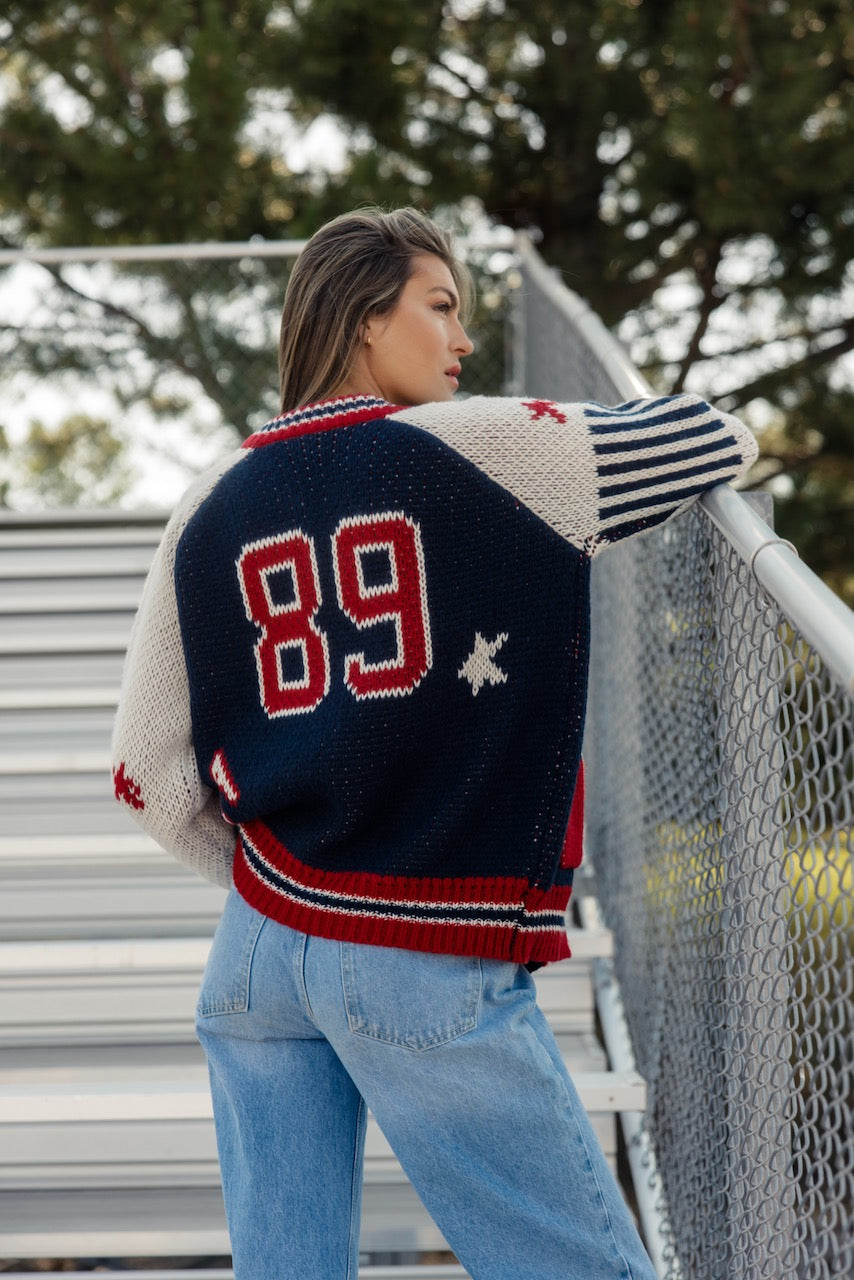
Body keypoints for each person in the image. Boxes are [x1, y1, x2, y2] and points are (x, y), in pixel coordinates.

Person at [112, 206, 758, 1280]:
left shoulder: (205, 505)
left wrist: (281, 880)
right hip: (412, 941)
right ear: (367, 318)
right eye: (442, 305)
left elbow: (146, 773)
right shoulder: (488, 444)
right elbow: (706, 440)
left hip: (256, 953)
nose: (462, 339)